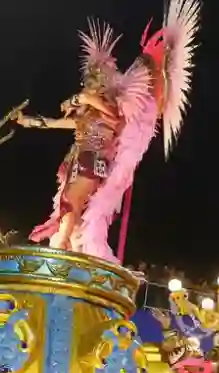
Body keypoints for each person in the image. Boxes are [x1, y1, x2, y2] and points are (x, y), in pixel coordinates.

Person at [18, 1, 200, 261]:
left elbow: (113, 117)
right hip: (77, 162)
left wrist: (82, 98)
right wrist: (29, 122)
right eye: (88, 80)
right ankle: (64, 252)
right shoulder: (88, 113)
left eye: (95, 79)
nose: (90, 83)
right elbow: (57, 123)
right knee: (67, 210)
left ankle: (58, 258)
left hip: (93, 162)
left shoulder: (110, 106)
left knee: (71, 207)